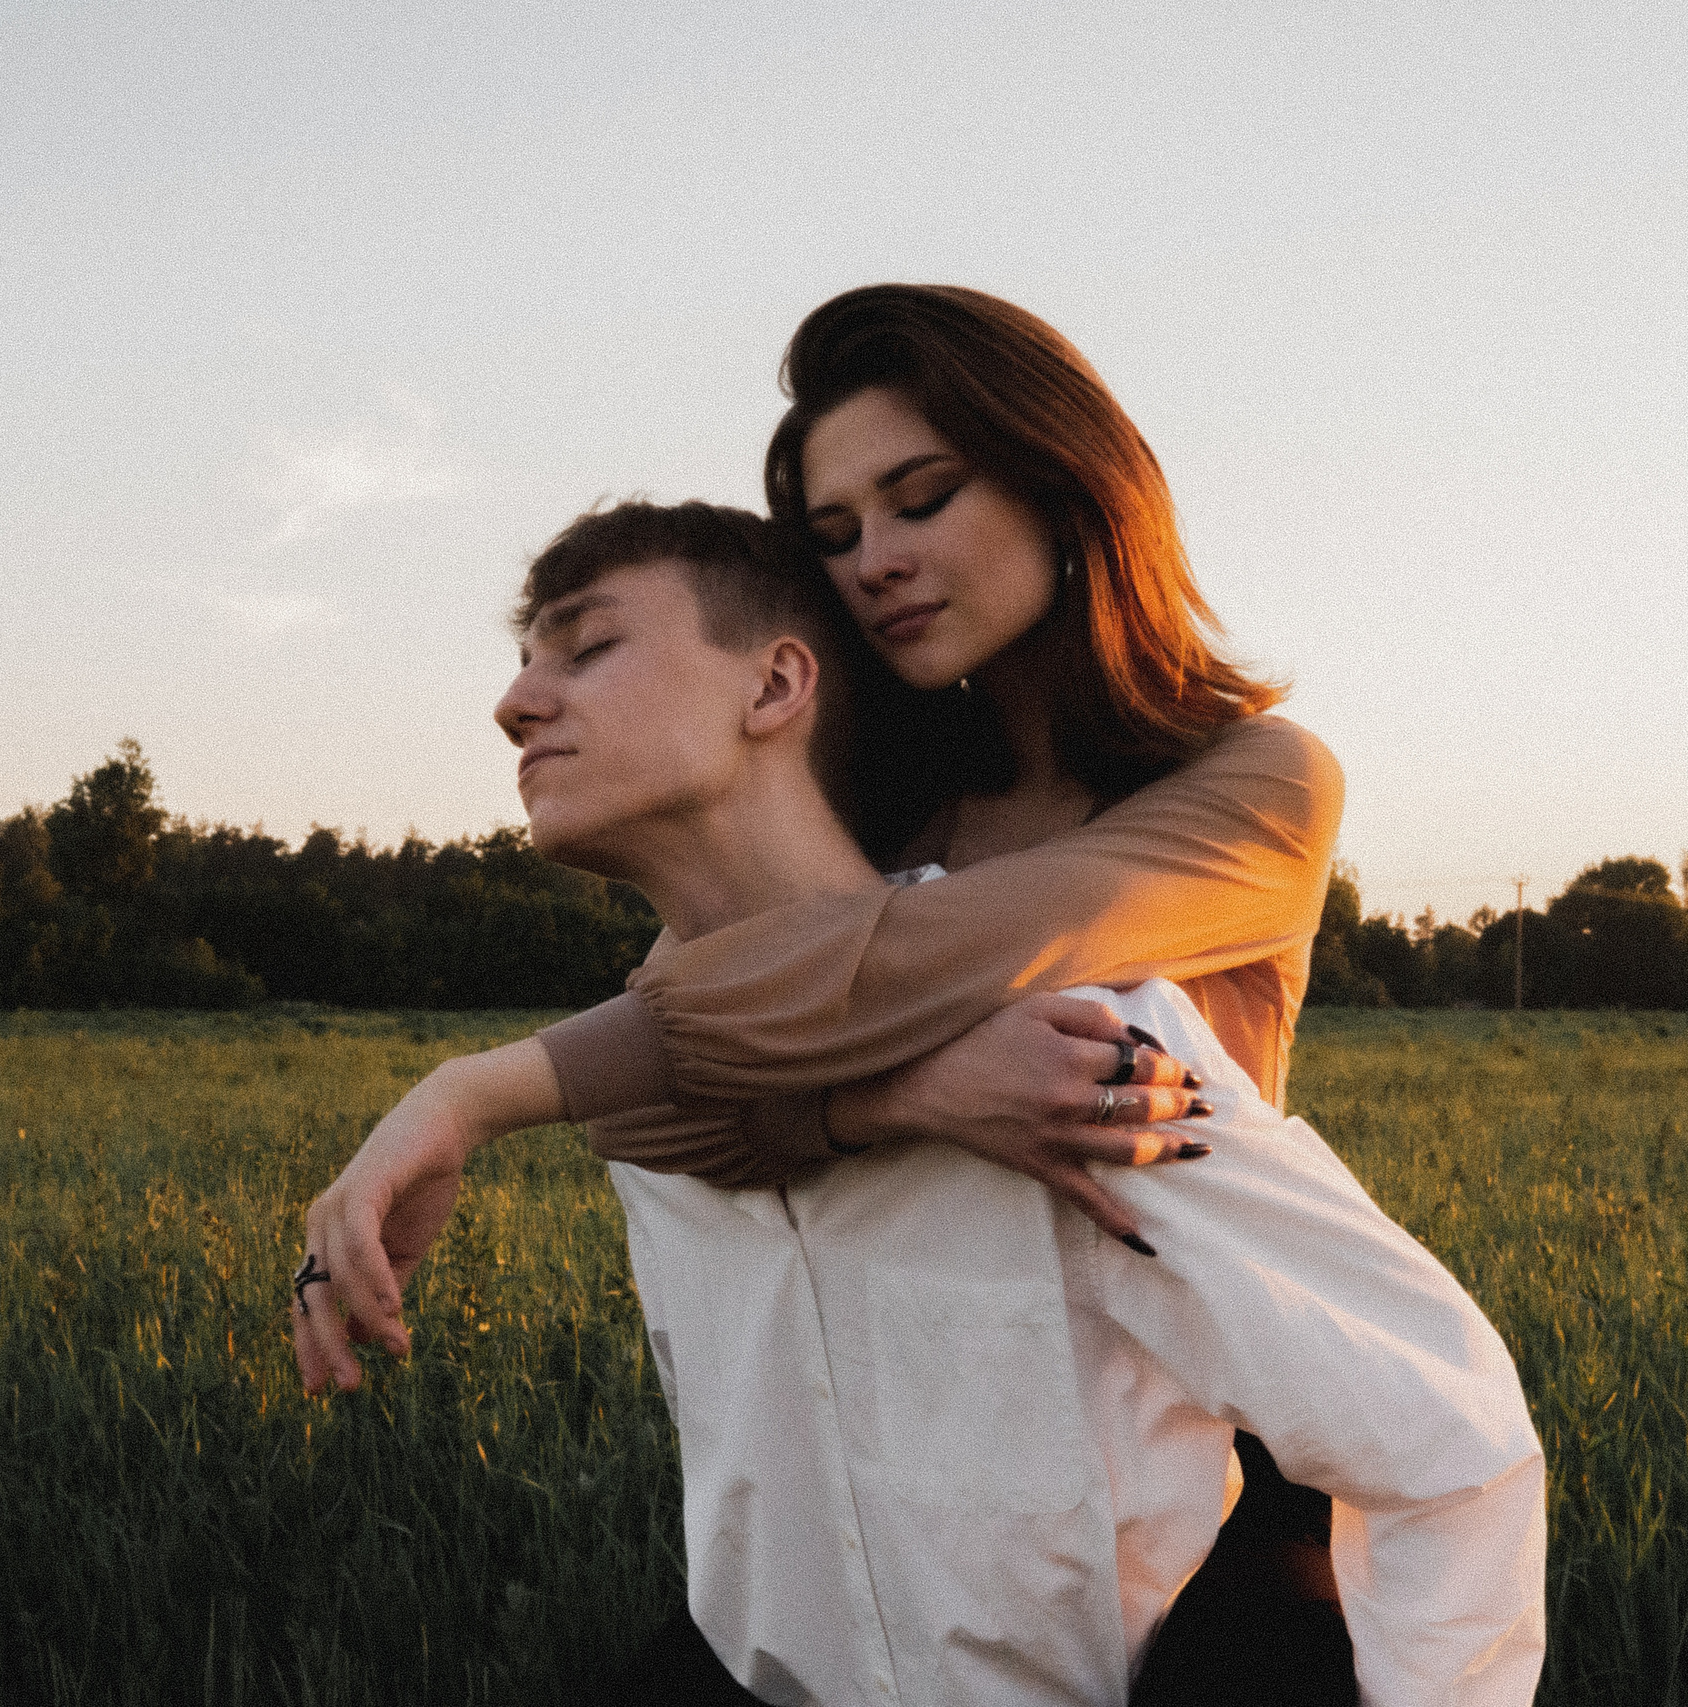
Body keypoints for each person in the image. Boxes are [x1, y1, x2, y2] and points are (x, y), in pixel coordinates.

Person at [294, 499, 1546, 1705]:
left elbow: (1446, 1443)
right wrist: (887, 1092)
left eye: (587, 646)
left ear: (776, 685)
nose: (514, 702)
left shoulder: (1083, 1054)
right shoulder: (644, 1105)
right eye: (524, 661)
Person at [528, 285, 1380, 1691]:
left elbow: (804, 1001)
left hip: (1190, 1468)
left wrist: (490, 1090)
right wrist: (906, 1096)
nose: (877, 561)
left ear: (1066, 485)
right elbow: (643, 1102)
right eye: (835, 534)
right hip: (919, 1463)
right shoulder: (875, 815)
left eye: (921, 499)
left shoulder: (1250, 782)